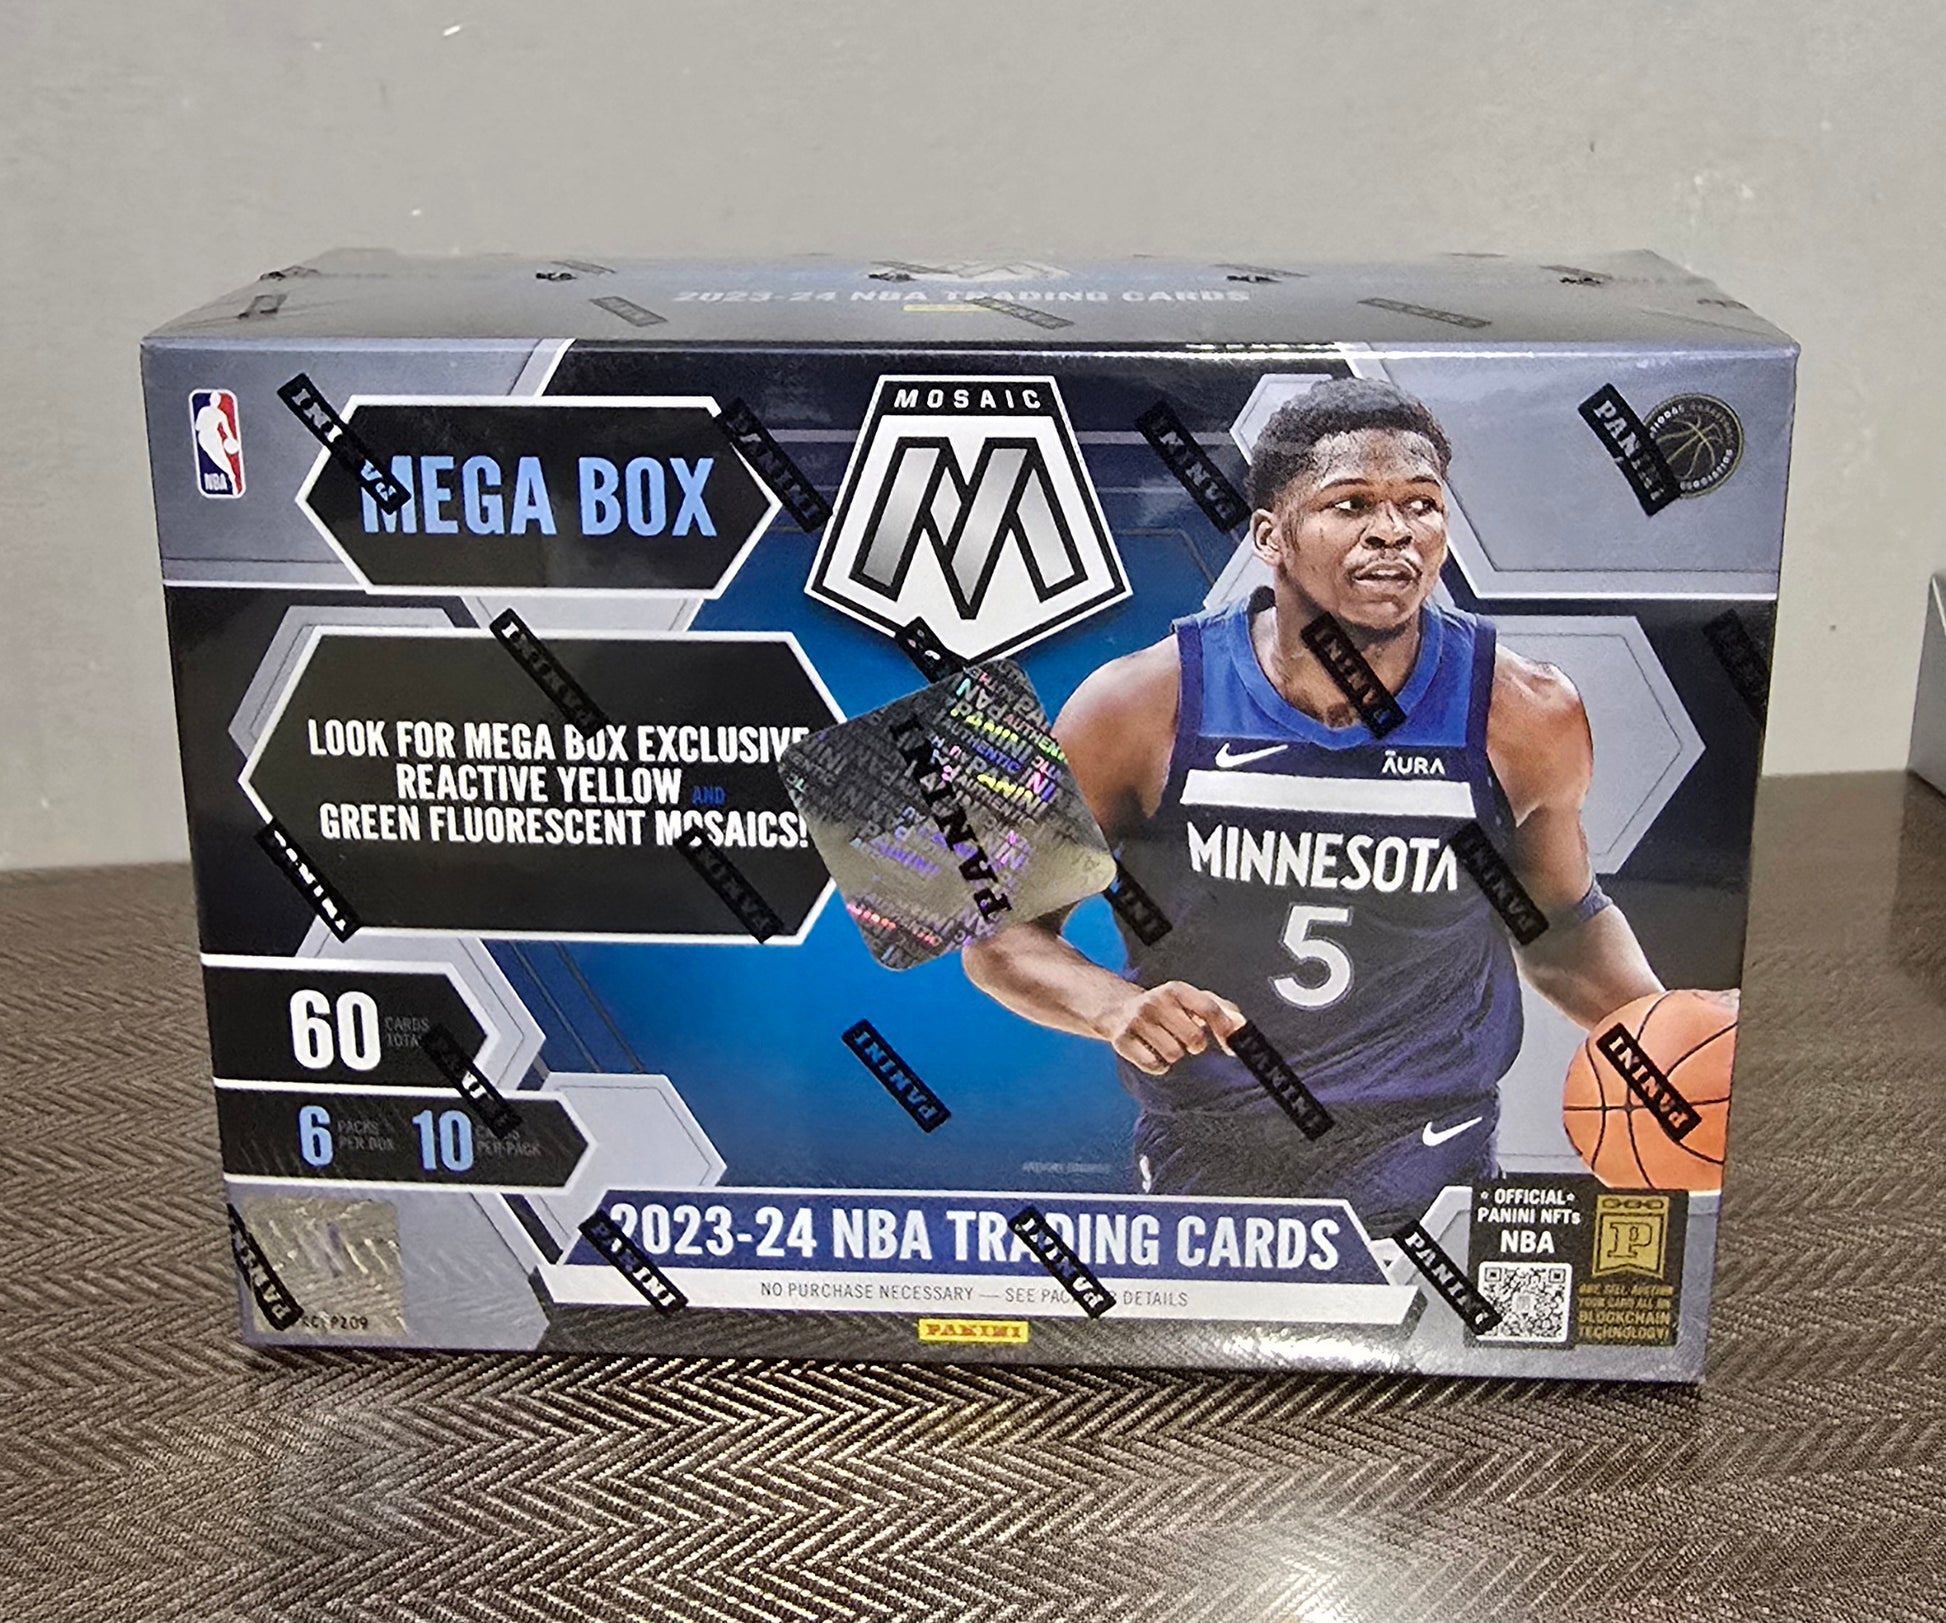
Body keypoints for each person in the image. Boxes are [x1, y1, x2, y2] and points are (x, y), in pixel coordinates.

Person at [962, 378, 1663, 1232]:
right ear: (1272, 535)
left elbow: (1558, 924)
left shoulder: (1524, 712)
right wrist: (1114, 1006)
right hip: (1213, 1139)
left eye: (1421, 504)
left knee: (1429, 1326)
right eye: (1352, 503)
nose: (1394, 529)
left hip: (1427, 1140)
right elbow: (1001, 932)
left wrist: (1666, 1034)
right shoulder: (1139, 706)